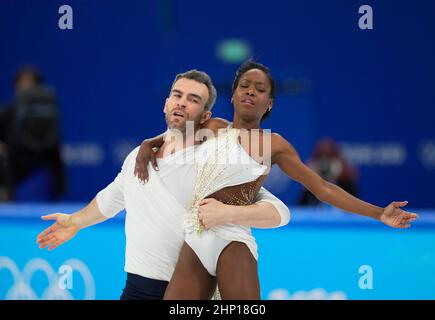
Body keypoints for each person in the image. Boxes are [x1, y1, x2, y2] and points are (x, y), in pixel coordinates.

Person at [135, 60, 419, 300]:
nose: (250, 92)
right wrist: (149, 144)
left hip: (232, 243)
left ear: (268, 103)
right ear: (232, 94)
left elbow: (323, 188)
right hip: (195, 240)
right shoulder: (211, 127)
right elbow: (172, 137)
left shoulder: (274, 145)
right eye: (244, 86)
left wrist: (378, 213)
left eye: (260, 90)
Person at [36, 69, 290, 300]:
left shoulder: (216, 162)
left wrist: (230, 213)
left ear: (206, 116)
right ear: (166, 103)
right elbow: (112, 198)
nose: (181, 101)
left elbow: (275, 209)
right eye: (177, 95)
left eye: (193, 99)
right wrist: (75, 222)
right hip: (136, 289)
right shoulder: (137, 156)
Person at [0, 66, 65, 201]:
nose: (25, 87)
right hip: (12, 174)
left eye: (30, 83)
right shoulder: (7, 113)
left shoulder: (48, 113)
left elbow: (53, 147)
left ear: (38, 86)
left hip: (39, 175)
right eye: (21, 83)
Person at [298, 137, 358, 206]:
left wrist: (341, 176)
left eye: (329, 159)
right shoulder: (311, 183)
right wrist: (307, 179)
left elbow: (356, 205)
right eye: (321, 159)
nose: (325, 166)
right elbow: (301, 207)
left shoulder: (346, 180)